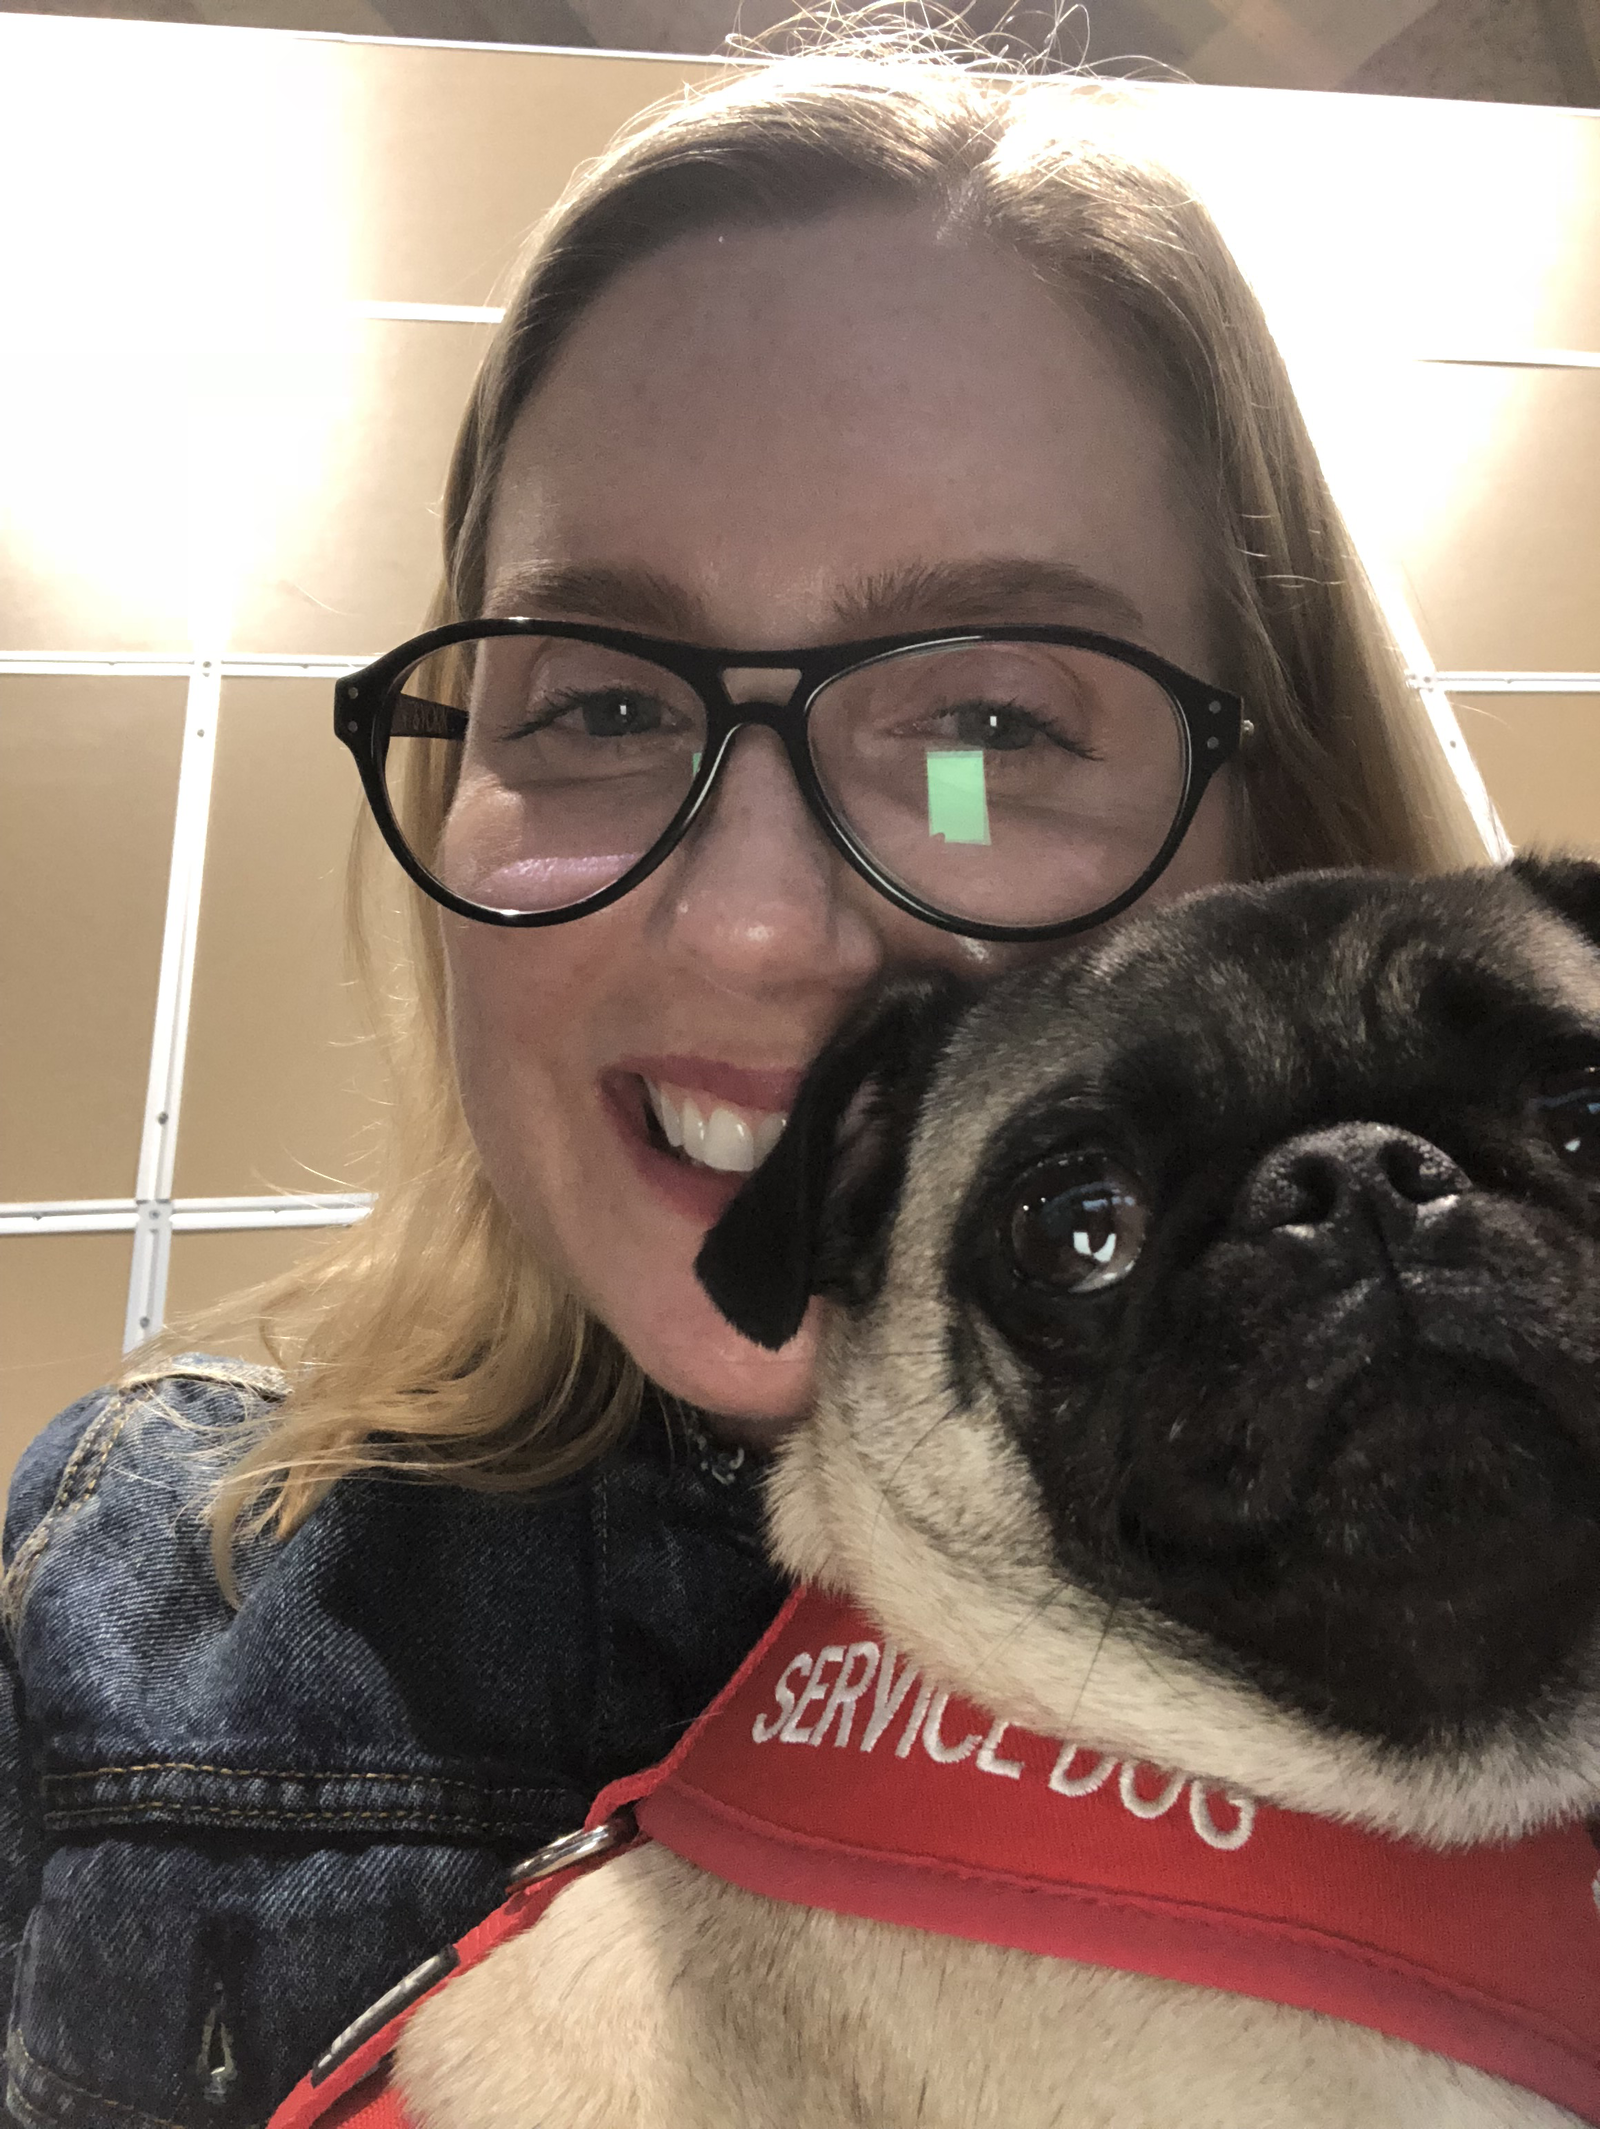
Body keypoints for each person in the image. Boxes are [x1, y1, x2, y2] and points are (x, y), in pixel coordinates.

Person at [0, 28, 1489, 2126]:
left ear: (1289, 827)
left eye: (986, 728)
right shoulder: (147, 1582)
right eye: (598, 698)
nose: (756, 927)